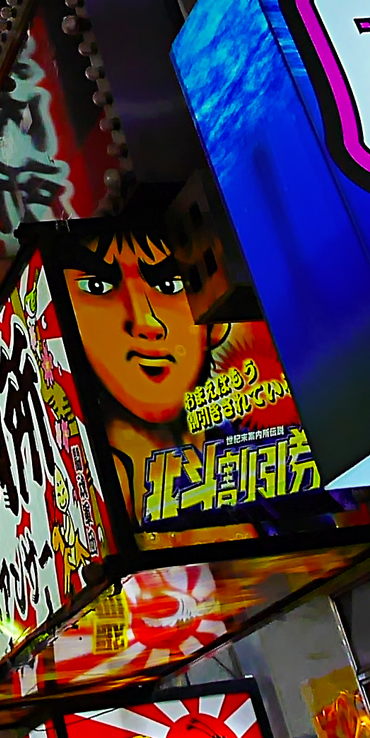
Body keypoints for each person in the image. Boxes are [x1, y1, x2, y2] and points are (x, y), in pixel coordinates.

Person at [61, 223, 219, 523]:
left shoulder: (279, 450)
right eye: (97, 288)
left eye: (169, 286)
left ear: (216, 323)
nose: (147, 323)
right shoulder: (76, 501)